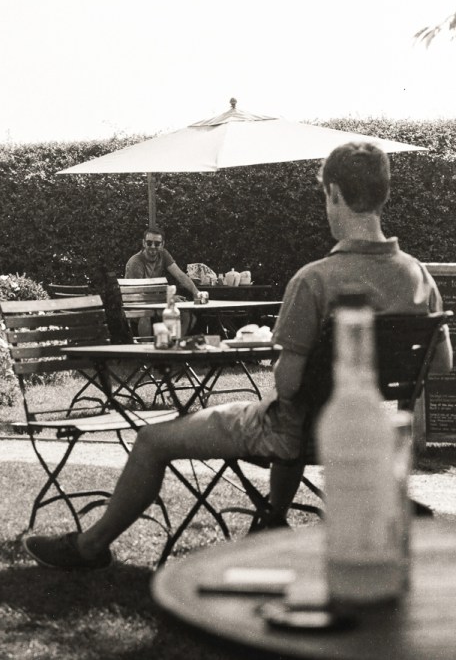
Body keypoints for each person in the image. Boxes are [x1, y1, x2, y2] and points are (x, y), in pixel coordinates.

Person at [23, 141, 453, 570]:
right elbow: (441, 367)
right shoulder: (418, 278)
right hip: (365, 439)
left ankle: (89, 547)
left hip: (293, 434)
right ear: (384, 194)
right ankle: (273, 519)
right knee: (294, 414)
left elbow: (288, 384)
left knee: (153, 440)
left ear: (334, 193)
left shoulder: (314, 281)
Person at [124, 226, 200, 336]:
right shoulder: (135, 262)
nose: (153, 246)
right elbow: (138, 294)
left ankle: (174, 343)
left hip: (154, 301)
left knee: (187, 315)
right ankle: (146, 346)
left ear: (162, 244)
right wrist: (168, 298)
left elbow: (180, 275)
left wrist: (196, 292)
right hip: (135, 302)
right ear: (143, 243)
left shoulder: (163, 254)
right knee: (145, 315)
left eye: (157, 243)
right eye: (149, 243)